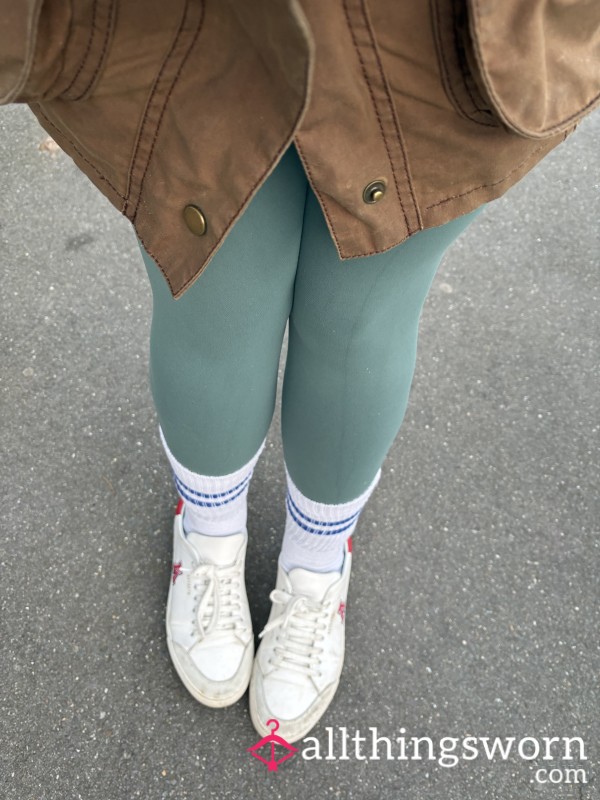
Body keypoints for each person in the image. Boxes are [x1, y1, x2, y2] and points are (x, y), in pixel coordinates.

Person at [1, 0, 599, 745]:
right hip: (197, 24)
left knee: (361, 320)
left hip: (431, 35)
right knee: (213, 290)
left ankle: (317, 563)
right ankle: (211, 537)